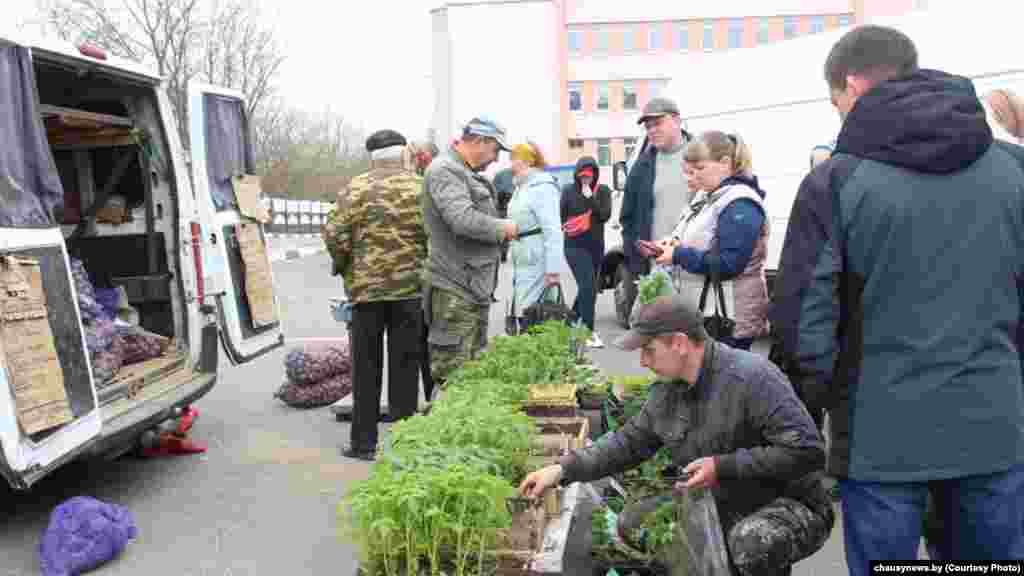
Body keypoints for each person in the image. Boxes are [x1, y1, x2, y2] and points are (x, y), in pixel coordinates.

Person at [771, 25, 1024, 570]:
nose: (838, 113)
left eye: (835, 99)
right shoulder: (1014, 170)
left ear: (854, 85)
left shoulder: (835, 182)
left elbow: (802, 322)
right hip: (996, 425)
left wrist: (825, 399)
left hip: (881, 438)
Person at [519, 295, 833, 576]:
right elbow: (628, 443)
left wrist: (722, 466)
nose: (642, 361)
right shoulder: (669, 392)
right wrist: (562, 469)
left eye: (648, 350)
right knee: (634, 521)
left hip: (788, 503)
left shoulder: (752, 378)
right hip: (721, 498)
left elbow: (808, 452)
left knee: (750, 544)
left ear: (680, 343)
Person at [322, 129, 428, 461]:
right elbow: (434, 235)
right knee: (405, 369)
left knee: (365, 371)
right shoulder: (420, 187)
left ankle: (364, 443)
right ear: (402, 155)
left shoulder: (355, 188)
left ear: (372, 157)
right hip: (411, 291)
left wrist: (346, 266)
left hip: (365, 293)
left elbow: (335, 233)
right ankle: (406, 446)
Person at [421, 116, 519, 390]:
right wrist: (503, 228)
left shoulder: (462, 172)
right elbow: (462, 219)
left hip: (470, 288)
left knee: (471, 376)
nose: (496, 158)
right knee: (455, 380)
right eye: (495, 149)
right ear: (479, 141)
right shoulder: (445, 170)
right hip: (455, 289)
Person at [652, 131, 770, 351]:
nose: (692, 177)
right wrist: (672, 244)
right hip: (711, 312)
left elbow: (729, 263)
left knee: (722, 381)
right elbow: (698, 239)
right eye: (689, 170)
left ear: (725, 163)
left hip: (730, 318)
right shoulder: (709, 196)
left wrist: (678, 255)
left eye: (699, 169)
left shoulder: (740, 203)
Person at [619, 97, 692, 324]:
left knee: (694, 342)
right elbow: (627, 218)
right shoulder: (642, 166)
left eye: (657, 123)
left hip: (695, 269)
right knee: (659, 342)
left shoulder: (702, 156)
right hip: (657, 269)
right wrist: (636, 258)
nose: (651, 130)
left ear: (677, 120)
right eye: (648, 126)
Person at [506, 141, 563, 331]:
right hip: (521, 256)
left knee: (534, 315)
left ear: (527, 162)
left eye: (515, 159)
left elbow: (553, 230)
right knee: (525, 311)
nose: (511, 163)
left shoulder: (543, 187)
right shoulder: (520, 187)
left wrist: (553, 270)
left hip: (537, 259)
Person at [560, 156, 612, 347]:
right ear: (576, 175)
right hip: (574, 246)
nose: (585, 180)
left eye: (589, 177)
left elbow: (604, 215)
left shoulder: (603, 191)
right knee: (588, 286)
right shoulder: (567, 191)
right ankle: (587, 332)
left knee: (586, 288)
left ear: (595, 175)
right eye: (582, 177)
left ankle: (571, 322)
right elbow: (563, 217)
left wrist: (590, 198)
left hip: (596, 248)